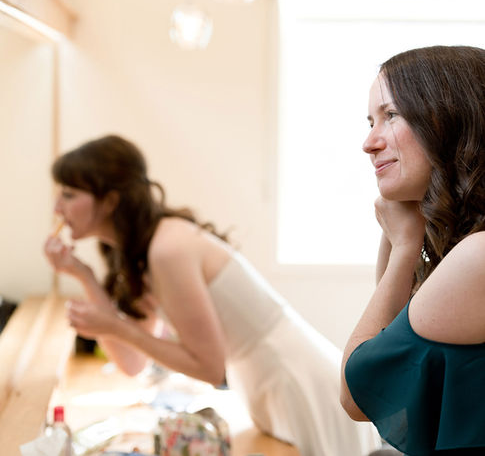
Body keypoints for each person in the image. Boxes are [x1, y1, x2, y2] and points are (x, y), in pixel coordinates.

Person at [44, 134, 380, 456]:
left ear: (111, 201)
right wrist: (81, 274)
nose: (58, 207)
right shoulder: (138, 253)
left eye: (70, 194)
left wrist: (116, 326)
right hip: (263, 383)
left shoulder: (167, 248)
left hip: (295, 379)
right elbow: (132, 363)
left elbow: (209, 367)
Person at [340, 45, 485, 455]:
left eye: (391, 115)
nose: (369, 143)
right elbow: (389, 345)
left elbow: (358, 392)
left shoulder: (478, 256)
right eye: (371, 121)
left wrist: (404, 246)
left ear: (448, 118)